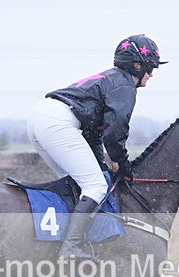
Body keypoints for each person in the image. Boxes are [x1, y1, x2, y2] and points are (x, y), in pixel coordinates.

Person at [27, 34, 167, 260]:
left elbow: (94, 134)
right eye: (150, 69)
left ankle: (65, 241)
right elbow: (115, 132)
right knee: (95, 187)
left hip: (40, 118)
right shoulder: (124, 86)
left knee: (79, 184)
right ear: (136, 64)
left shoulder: (111, 79)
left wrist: (104, 164)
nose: (151, 75)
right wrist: (121, 163)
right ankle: (70, 248)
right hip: (57, 123)